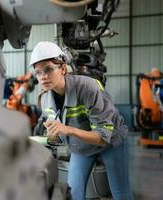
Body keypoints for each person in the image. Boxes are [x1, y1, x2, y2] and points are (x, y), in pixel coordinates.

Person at [30, 41, 134, 200]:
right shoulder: (45, 100)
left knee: (120, 194)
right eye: (38, 72)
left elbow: (103, 137)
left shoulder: (87, 88)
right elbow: (58, 136)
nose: (43, 76)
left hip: (112, 142)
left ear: (63, 69)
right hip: (82, 147)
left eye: (48, 69)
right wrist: (34, 141)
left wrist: (67, 130)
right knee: (73, 194)